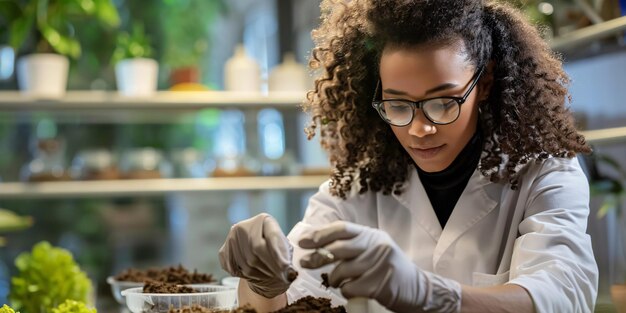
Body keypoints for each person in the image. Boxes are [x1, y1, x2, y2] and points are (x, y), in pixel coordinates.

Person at [219, 0, 599, 312]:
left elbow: (562, 295)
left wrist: (433, 295)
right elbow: (292, 301)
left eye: (443, 102)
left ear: (483, 84)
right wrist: (265, 283)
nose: (420, 129)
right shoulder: (354, 190)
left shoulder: (546, 172)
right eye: (398, 106)